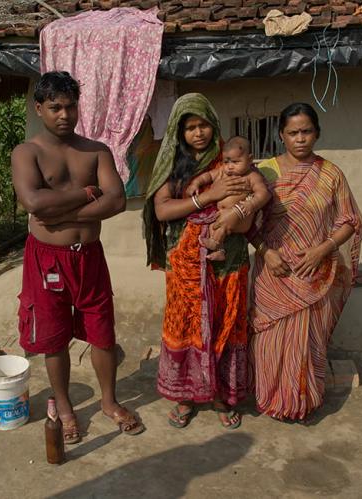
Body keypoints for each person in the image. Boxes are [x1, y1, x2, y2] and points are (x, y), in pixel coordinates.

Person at [11, 71, 144, 443]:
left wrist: (64, 213)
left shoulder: (96, 149)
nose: (64, 115)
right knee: (54, 339)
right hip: (46, 259)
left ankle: (109, 401)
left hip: (88, 257)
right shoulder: (27, 152)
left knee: (102, 334)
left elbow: (116, 199)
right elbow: (34, 202)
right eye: (55, 107)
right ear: (39, 109)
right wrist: (87, 194)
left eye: (70, 106)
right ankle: (67, 408)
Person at [143, 93, 252, 429]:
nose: (198, 133)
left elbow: (248, 202)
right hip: (185, 264)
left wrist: (234, 210)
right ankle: (186, 395)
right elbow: (162, 210)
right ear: (179, 131)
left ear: (213, 123)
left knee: (224, 323)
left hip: (228, 260)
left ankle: (220, 395)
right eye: (189, 127)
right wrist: (207, 197)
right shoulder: (172, 164)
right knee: (187, 325)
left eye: (203, 124)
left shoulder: (230, 159)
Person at [249, 102, 362, 421]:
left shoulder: (331, 174)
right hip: (274, 271)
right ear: (281, 136)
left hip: (315, 271)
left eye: (307, 131)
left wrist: (323, 249)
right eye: (293, 132)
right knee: (270, 341)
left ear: (317, 134)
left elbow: (349, 220)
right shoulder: (265, 171)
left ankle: (301, 402)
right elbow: (246, 224)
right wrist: (265, 252)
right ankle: (271, 399)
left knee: (307, 343)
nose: (300, 138)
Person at [185, 136, 271, 261]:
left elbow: (263, 193)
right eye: (226, 162)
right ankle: (220, 251)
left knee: (222, 226)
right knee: (213, 225)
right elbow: (208, 176)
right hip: (221, 215)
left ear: (250, 159)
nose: (230, 167)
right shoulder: (222, 172)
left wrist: (251, 204)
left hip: (240, 216)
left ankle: (215, 243)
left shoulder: (251, 176)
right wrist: (195, 183)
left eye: (235, 162)